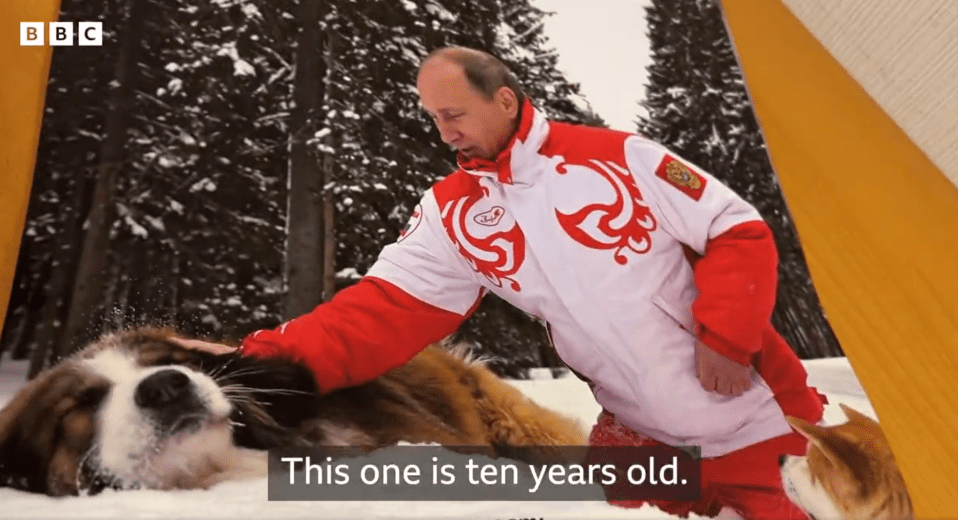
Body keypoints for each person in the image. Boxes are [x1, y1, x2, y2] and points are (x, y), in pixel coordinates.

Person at [183, 46, 826, 519]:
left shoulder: (621, 157)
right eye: (433, 118)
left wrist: (727, 336)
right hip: (641, 442)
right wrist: (258, 362)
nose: (445, 133)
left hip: (764, 423)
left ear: (506, 100)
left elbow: (736, 229)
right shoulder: (453, 212)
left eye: (455, 113)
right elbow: (379, 310)